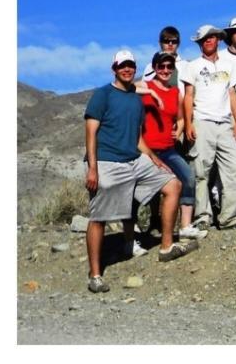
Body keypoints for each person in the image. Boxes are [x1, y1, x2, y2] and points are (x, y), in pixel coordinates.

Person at [84, 51, 197, 293]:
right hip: (107, 162)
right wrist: (93, 168)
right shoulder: (102, 95)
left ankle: (166, 246)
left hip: (134, 159)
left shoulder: (135, 99)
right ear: (114, 68)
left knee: (173, 184)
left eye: (130, 66)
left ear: (135, 68)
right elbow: (91, 132)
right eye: (122, 66)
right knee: (99, 217)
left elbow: (137, 138)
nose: (126, 70)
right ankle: (95, 275)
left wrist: (155, 159)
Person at [182, 24, 236, 231]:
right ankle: (203, 215)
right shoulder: (192, 66)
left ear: (218, 39)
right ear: (199, 43)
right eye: (203, 39)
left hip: (225, 123)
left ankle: (228, 217)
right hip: (202, 121)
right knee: (201, 172)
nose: (207, 41)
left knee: (235, 170)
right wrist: (189, 122)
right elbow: (188, 96)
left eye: (211, 37)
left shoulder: (228, 65)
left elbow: (232, 93)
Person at [140, 51, 205, 240]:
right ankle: (140, 228)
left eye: (169, 67)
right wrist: (151, 91)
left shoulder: (176, 92)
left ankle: (185, 225)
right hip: (147, 150)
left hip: (168, 148)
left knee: (188, 177)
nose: (166, 70)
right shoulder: (145, 86)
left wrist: (179, 129)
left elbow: (180, 117)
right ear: (154, 68)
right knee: (143, 188)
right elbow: (127, 88)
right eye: (161, 66)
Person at [141, 26, 188, 94]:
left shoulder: (186, 65)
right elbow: (142, 88)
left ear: (178, 43)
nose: (170, 44)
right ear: (160, 43)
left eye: (174, 41)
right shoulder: (150, 67)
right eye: (166, 41)